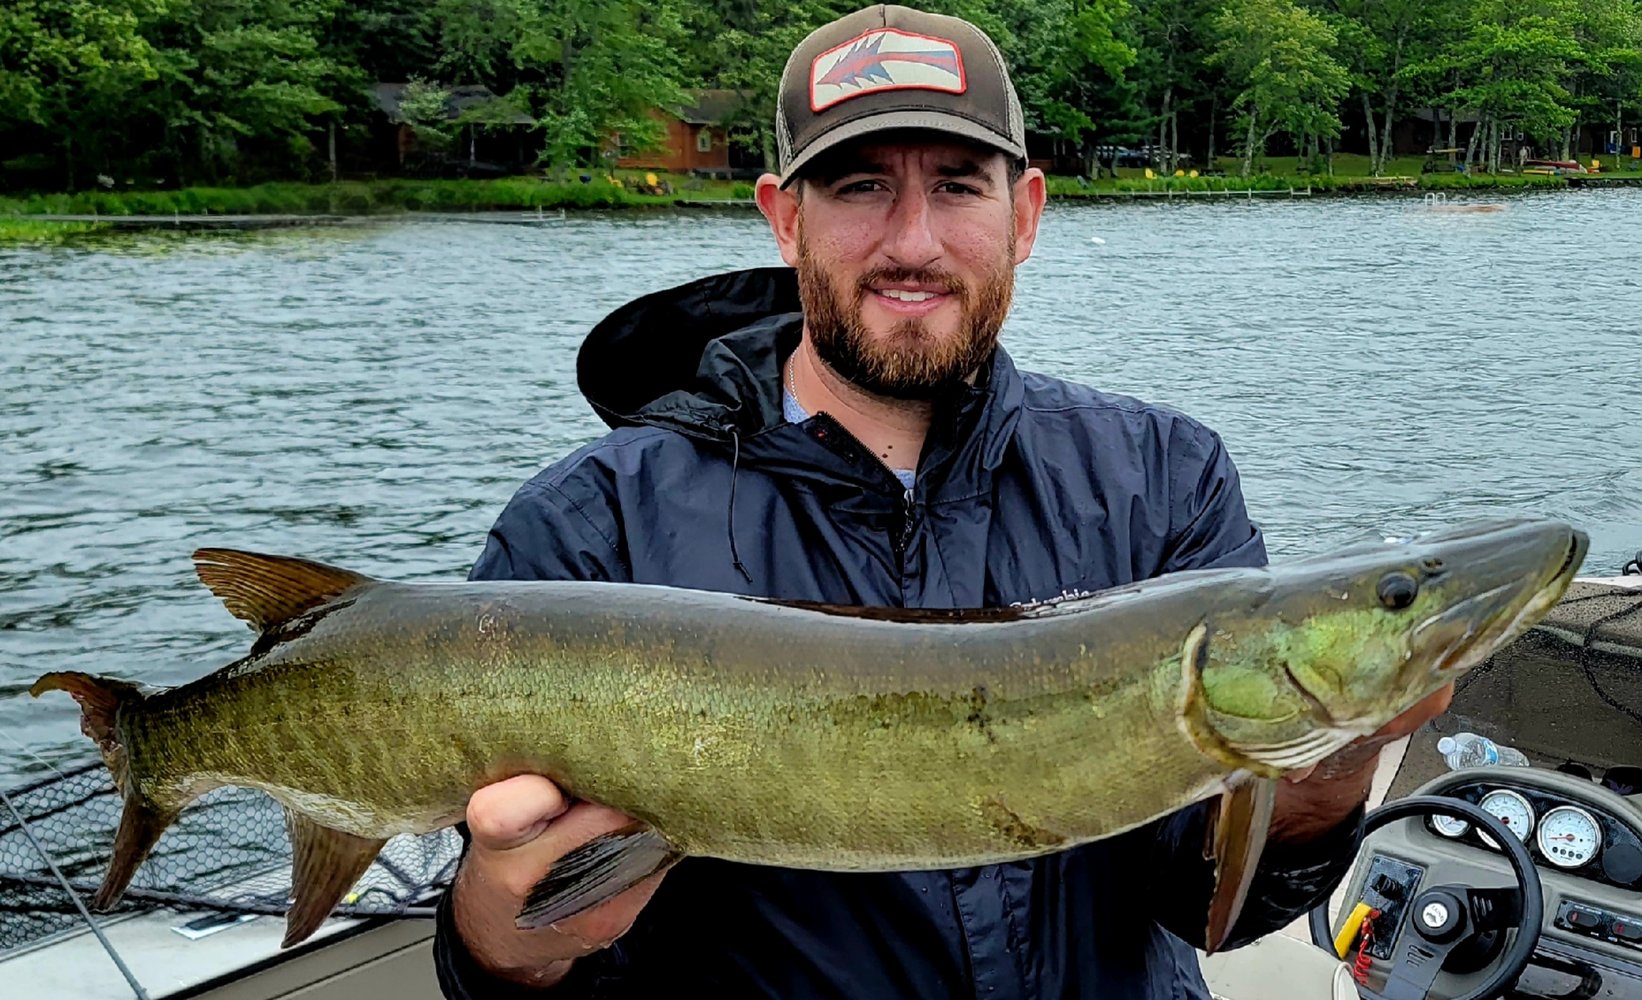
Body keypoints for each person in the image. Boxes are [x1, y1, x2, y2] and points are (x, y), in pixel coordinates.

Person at [432, 5, 1452, 997]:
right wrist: (508, 929)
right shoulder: (585, 525)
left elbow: (1196, 902)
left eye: (958, 186)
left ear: (1026, 215)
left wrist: (1318, 791)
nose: (911, 241)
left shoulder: (1164, 475)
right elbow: (509, 954)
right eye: (860, 185)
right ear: (785, 218)